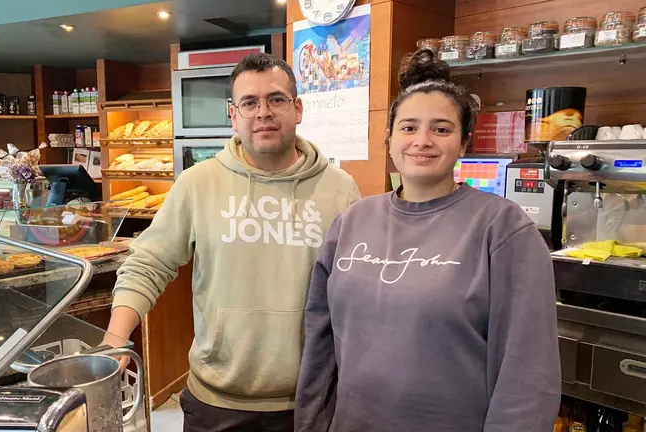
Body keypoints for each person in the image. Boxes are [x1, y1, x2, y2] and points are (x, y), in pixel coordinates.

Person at [294, 49, 561, 431]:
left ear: (464, 143)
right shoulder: (352, 221)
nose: (422, 141)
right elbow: (320, 345)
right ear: (388, 139)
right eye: (408, 127)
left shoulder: (502, 229)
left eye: (441, 128)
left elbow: (529, 373)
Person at [105, 52, 360, 432]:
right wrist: (114, 341)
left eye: (276, 99)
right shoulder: (198, 183)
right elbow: (149, 262)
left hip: (309, 398)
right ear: (233, 114)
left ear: (298, 108)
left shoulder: (341, 188)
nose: (263, 112)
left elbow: (355, 290)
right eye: (249, 102)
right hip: (216, 399)